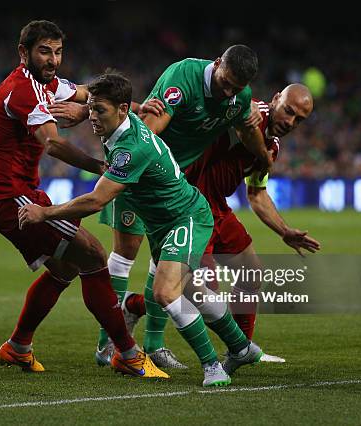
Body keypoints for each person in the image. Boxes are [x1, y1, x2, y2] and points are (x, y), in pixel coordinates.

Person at [18, 71, 264, 386]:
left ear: (121, 110)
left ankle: (212, 367)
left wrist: (46, 213)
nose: (92, 117)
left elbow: (96, 200)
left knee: (165, 292)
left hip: (185, 217)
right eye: (91, 109)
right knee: (192, 291)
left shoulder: (131, 148)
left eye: (99, 110)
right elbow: (120, 103)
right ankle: (241, 347)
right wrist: (86, 103)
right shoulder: (122, 124)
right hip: (162, 224)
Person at [0, 20, 167, 379]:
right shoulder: (22, 89)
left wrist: (137, 105)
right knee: (94, 256)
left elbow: (84, 92)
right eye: (44, 51)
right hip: (9, 197)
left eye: (58, 51)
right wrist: (102, 166)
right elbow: (51, 143)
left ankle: (18, 347)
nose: (52, 59)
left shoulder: (50, 84)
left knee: (65, 269)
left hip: (20, 191)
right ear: (24, 53)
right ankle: (127, 353)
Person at [90, 46, 271, 368]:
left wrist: (263, 156)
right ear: (217, 64)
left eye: (236, 88)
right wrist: (132, 159)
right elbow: (152, 126)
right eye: (225, 82)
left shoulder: (239, 97)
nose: (227, 91)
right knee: (124, 254)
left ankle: (154, 345)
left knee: (164, 262)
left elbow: (246, 129)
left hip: (174, 183)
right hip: (137, 172)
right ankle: (109, 346)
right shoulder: (183, 77)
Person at [122, 84, 321, 369]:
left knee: (251, 274)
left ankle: (240, 350)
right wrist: (251, 123)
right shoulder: (249, 112)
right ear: (275, 99)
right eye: (288, 111)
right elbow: (237, 117)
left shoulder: (272, 146)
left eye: (299, 119)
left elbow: (257, 194)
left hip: (217, 208)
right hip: (188, 204)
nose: (290, 122)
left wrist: (285, 231)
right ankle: (134, 306)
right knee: (202, 295)